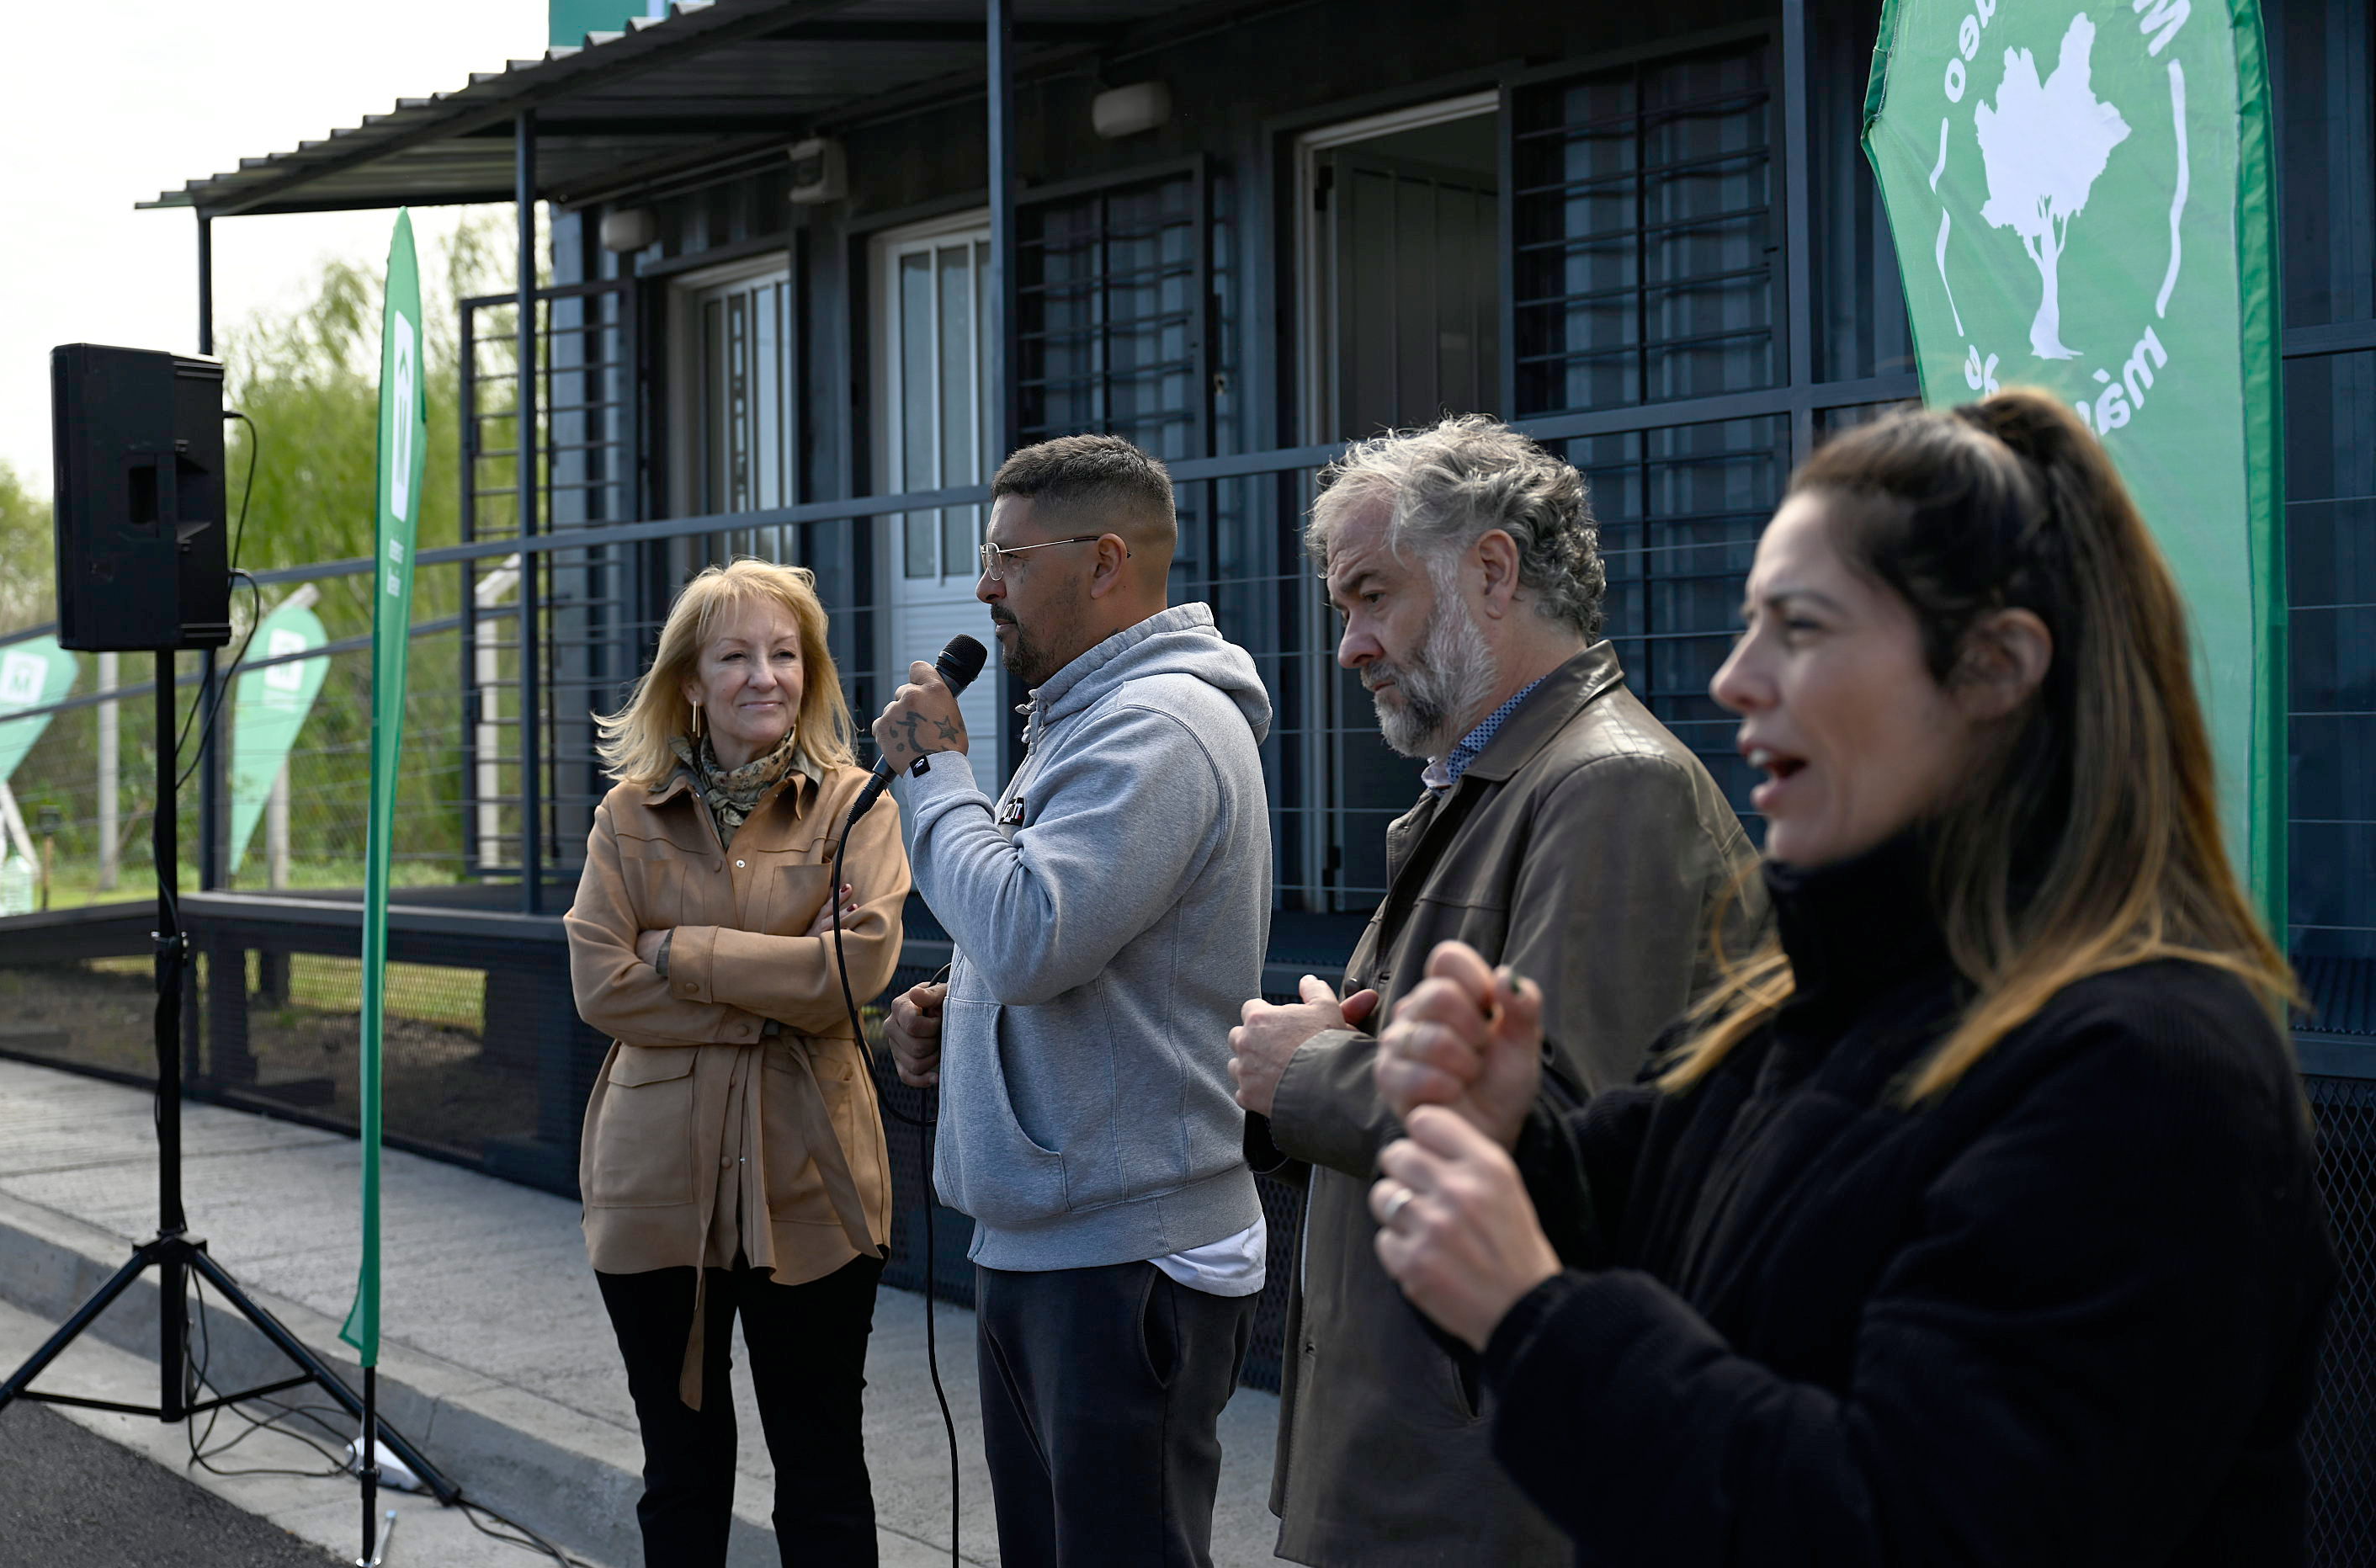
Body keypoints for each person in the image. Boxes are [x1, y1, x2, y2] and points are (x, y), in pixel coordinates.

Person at [1370, 391, 2335, 1565]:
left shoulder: (2148, 1074)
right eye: (1747, 624)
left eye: (1803, 629)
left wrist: (1537, 1317)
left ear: (1992, 667)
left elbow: (1907, 1523)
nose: (1735, 680)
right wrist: (1501, 1139)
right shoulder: (1802, 1010)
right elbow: (1643, 1242)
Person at [1224, 415, 1757, 1566]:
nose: (1351, 646)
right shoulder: (1504, 783)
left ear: (1494, 571)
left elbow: (1571, 1136)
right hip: (1428, 1463)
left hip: (1480, 1492)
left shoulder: (1612, 788)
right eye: (1343, 609)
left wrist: (1307, 1072)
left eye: (1371, 597)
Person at [875, 434, 1272, 1568]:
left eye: (1005, 555)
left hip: (1122, 1260)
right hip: (1064, 1243)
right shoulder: (1092, 718)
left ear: (1104, 562)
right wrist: (965, 1017)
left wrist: (934, 776)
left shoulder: (1156, 728)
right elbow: (1047, 944)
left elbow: (1031, 931)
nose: (984, 586)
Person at [565, 558, 906, 1568]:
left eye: (787, 653)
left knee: (824, 1477)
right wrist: (782, 989)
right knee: (681, 1475)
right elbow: (600, 987)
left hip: (817, 1188)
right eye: (737, 655)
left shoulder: (860, 805)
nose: (766, 675)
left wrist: (681, 949)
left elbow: (858, 973)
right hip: (653, 1191)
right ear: (691, 681)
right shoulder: (626, 816)